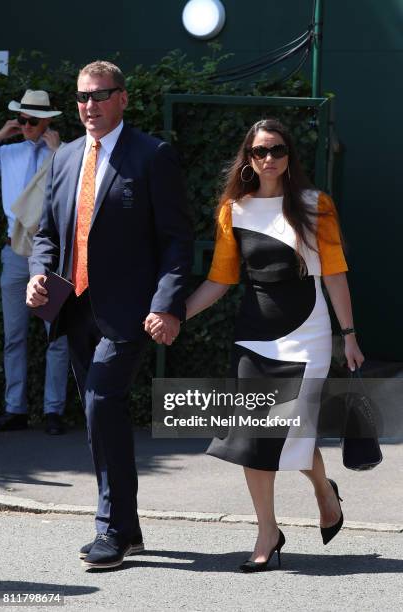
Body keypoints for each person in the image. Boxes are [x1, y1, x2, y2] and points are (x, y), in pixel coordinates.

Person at [149, 118, 364, 572]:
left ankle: (325, 492)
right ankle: (268, 531)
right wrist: (175, 315)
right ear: (248, 158)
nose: (269, 158)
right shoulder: (234, 209)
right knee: (254, 437)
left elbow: (336, 274)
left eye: (278, 150)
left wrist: (349, 336)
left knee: (295, 436)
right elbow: (220, 280)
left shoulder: (314, 205)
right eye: (261, 151)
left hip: (308, 337)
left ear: (290, 157)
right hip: (254, 339)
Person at [26, 61, 193, 569]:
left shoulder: (153, 155)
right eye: (81, 98)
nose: (89, 106)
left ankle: (112, 530)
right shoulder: (66, 157)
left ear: (123, 98)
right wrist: (38, 273)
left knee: (101, 401)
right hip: (74, 307)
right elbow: (47, 235)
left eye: (99, 96)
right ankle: (128, 527)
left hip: (129, 313)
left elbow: (176, 242)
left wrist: (167, 305)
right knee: (103, 415)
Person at [0, 90, 69, 435]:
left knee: (56, 334)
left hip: (52, 254)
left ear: (48, 122)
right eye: (22, 119)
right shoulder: (7, 152)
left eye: (33, 121)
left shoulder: (65, 154)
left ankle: (53, 410)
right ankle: (16, 408)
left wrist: (57, 153)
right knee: (14, 335)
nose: (26, 126)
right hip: (14, 253)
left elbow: (79, 189)